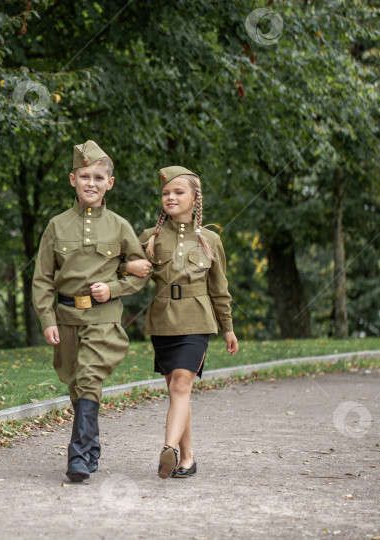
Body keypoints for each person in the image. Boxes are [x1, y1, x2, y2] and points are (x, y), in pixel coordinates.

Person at [32, 140, 150, 483]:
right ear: (73, 179)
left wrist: (113, 288)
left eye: (99, 178)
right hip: (67, 317)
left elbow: (142, 270)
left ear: (109, 183)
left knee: (88, 378)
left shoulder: (119, 226)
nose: (91, 183)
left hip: (104, 318)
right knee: (75, 383)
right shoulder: (56, 225)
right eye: (84, 176)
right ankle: (92, 445)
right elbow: (42, 278)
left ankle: (79, 456)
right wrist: (47, 319)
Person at [123, 165, 238, 479]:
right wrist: (126, 270)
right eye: (165, 193)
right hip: (163, 321)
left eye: (178, 192)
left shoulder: (210, 240)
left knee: (181, 384)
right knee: (177, 392)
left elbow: (220, 288)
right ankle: (187, 457)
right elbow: (125, 270)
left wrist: (228, 327)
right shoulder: (150, 237)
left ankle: (169, 448)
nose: (170, 197)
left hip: (197, 320)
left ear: (195, 198)